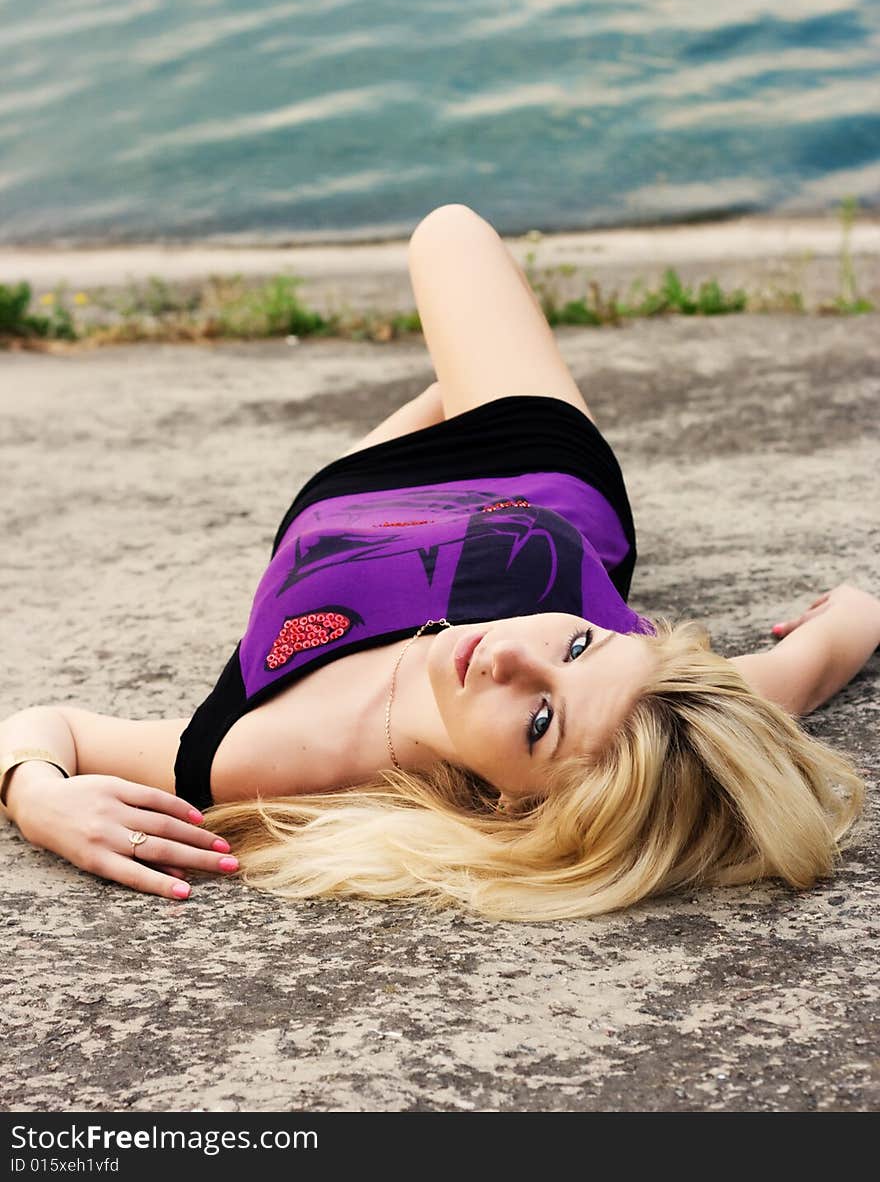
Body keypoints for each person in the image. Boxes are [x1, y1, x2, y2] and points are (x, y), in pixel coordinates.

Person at [1, 205, 875, 922]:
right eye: (577, 648)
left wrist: (37, 797)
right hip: (535, 471)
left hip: (349, 500)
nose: (508, 656)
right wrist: (840, 614)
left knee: (448, 360)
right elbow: (851, 627)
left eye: (539, 724)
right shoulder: (666, 709)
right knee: (450, 230)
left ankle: (444, 392)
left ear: (508, 804)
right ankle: (462, 390)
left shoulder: (268, 759)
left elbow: (53, 729)